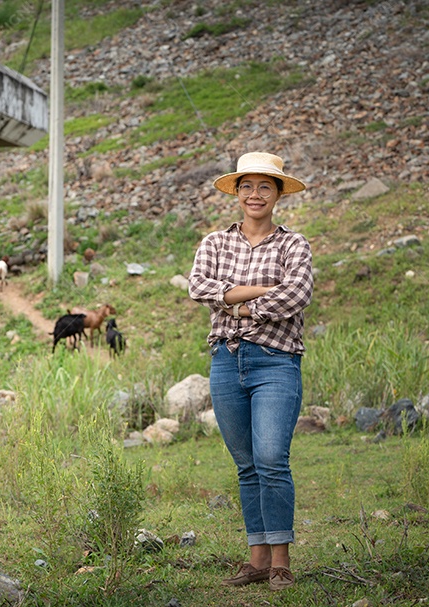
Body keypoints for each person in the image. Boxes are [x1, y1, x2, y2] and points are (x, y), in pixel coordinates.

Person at [188, 152, 313, 591]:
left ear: (278, 194)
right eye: (247, 186)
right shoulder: (214, 243)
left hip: (276, 362)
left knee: (272, 460)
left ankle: (281, 561)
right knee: (246, 464)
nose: (255, 194)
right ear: (236, 192)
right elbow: (199, 287)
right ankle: (257, 559)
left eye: (265, 186)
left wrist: (237, 304)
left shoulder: (293, 244)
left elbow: (297, 294)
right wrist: (262, 294)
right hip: (226, 361)